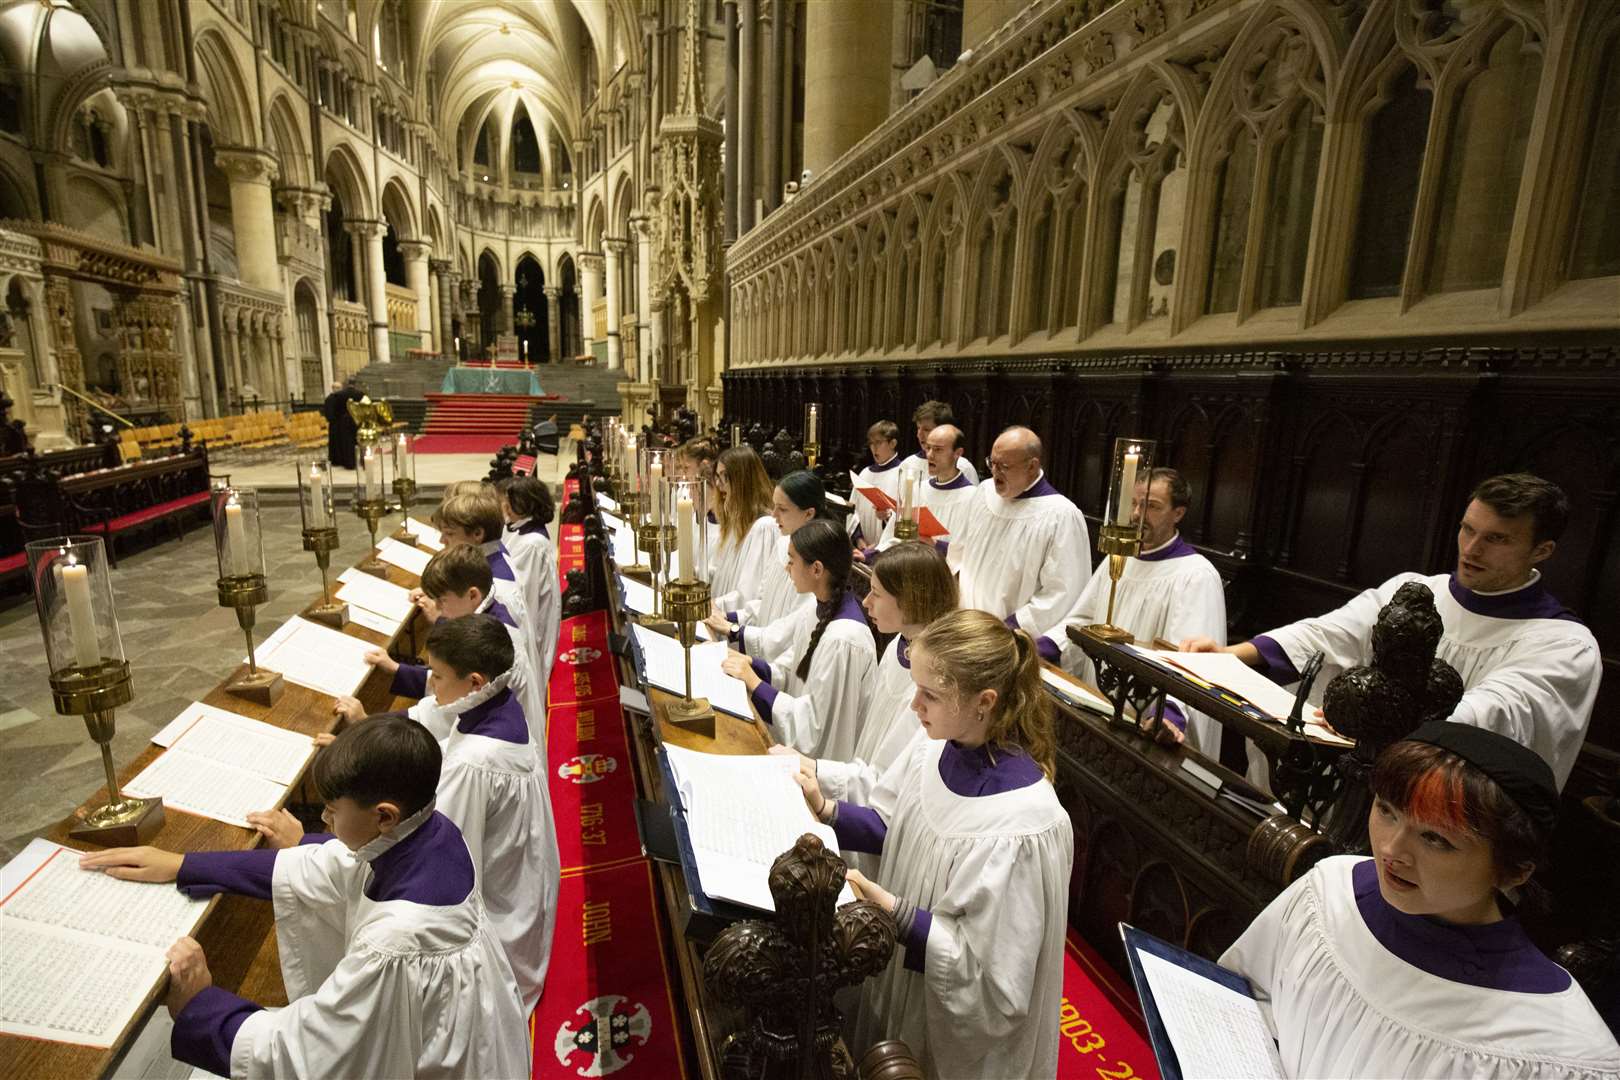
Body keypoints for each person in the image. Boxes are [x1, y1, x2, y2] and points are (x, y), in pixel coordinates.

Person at [79, 716, 530, 1078]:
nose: (326, 822)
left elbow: (314, 1054)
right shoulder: (428, 829)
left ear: (384, 816)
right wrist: (183, 865)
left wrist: (200, 1007)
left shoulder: (397, 943)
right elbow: (325, 866)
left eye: (332, 810)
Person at [1221, 722, 1620, 1077]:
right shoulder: (1330, 891)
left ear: (1515, 870)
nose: (1392, 849)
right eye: (1387, 810)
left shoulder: (1559, 1050)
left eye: (1435, 838)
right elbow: (1246, 999)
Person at [789, 609, 1072, 1078]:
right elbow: (890, 822)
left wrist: (901, 917)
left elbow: (995, 988)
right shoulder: (934, 747)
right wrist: (828, 810)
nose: (913, 706)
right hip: (901, 980)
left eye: (929, 695)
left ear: (984, 701)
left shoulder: (1026, 827)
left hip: (956, 1040)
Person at [1182, 473, 1600, 789]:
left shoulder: (1562, 644)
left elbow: (1499, 712)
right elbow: (1332, 633)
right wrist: (1233, 655)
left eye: (1497, 539)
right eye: (1467, 529)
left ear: (1542, 551)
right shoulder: (1418, 591)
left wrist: (1380, 723)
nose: (1471, 549)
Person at [330, 618, 558, 1013]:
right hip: (522, 889)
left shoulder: (475, 762)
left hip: (503, 927)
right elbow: (440, 735)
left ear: (473, 681)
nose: (431, 685)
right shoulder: (496, 707)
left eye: (436, 675)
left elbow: (447, 848)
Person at [1039, 468, 1227, 750]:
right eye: (1135, 504)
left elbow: (1192, 657)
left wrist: (1171, 713)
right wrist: (1044, 647)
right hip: (1098, 702)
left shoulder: (1195, 575)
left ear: (1178, 513)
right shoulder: (1120, 555)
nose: (1138, 514)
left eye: (1152, 506)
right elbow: (1084, 619)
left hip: (1149, 721)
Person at [803, 542, 959, 831]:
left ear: (911, 600)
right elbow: (870, 744)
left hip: (882, 819)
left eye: (876, 594)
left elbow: (889, 778)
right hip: (858, 785)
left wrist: (816, 769)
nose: (865, 602)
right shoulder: (896, 647)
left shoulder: (934, 679)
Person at [352, 543, 546, 745]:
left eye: (442, 601)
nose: (438, 609)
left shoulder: (491, 637)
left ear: (473, 595)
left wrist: (368, 724)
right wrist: (397, 670)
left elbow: (447, 714)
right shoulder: (488, 614)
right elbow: (448, 679)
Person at [721, 520, 877, 759]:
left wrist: (754, 682)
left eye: (792, 561)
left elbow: (814, 728)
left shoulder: (843, 640)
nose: (787, 569)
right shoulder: (817, 609)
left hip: (820, 769)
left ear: (816, 569)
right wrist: (748, 664)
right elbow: (793, 672)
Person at [950, 425, 1091, 637]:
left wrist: (1008, 628)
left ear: (1032, 466)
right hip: (967, 627)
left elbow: (1062, 593)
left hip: (1010, 639)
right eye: (992, 463)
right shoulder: (984, 493)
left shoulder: (1060, 516)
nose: (995, 472)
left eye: (1004, 466)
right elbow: (960, 551)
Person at [707, 469, 824, 660]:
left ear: (809, 513)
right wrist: (727, 617)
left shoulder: (814, 565)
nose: (774, 515)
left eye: (783, 509)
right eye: (774, 506)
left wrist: (735, 631)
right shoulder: (782, 544)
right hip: (763, 652)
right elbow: (764, 603)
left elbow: (790, 631)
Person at [434, 489, 547, 678]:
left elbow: (480, 671)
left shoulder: (494, 588)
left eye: (449, 534)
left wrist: (442, 617)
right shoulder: (492, 560)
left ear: (477, 534)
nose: (441, 541)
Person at [496, 474, 561, 680]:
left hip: (529, 624)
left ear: (523, 504)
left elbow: (525, 594)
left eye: (508, 501)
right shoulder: (518, 529)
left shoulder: (532, 544)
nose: (504, 506)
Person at [709, 445, 781, 613]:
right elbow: (723, 574)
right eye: (717, 477)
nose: (719, 486)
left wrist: (709, 607)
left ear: (743, 481)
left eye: (724, 477)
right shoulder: (736, 523)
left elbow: (748, 595)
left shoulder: (764, 527)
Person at [852, 420, 906, 547]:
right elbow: (853, 510)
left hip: (888, 550)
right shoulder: (865, 473)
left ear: (893, 443)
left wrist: (887, 516)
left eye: (878, 442)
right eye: (871, 443)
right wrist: (859, 538)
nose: (873, 448)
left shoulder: (903, 473)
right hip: (863, 547)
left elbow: (905, 518)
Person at [905, 400, 978, 486]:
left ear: (942, 430)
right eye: (918, 428)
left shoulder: (964, 467)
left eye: (926, 429)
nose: (919, 435)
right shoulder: (908, 464)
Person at [322, 380, 361, 469]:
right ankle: (336, 461)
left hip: (344, 425)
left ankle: (344, 460)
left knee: (345, 443)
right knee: (335, 443)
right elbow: (329, 413)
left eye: (339, 388)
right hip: (335, 426)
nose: (337, 389)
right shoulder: (329, 399)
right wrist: (336, 419)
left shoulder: (343, 398)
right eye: (335, 388)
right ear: (332, 388)